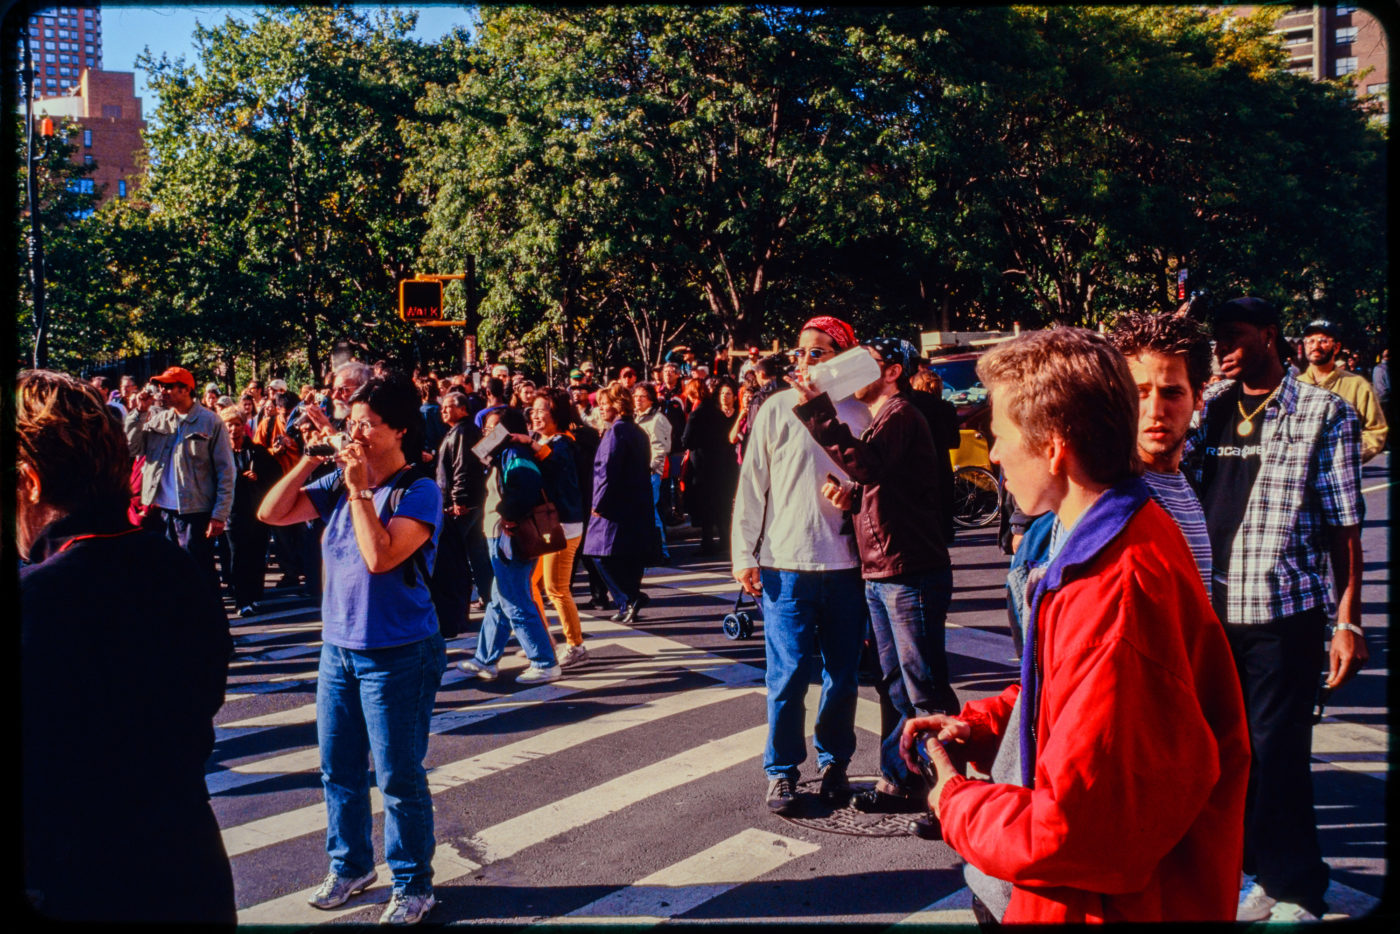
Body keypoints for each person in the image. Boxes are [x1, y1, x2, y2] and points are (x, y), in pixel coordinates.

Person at [899, 327, 1250, 924]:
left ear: (1054, 446)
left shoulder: (1114, 589)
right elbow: (1079, 697)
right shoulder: (1106, 533)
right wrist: (985, 722)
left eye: (1001, 436)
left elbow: (1078, 831)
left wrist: (955, 802)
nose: (995, 454)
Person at [19, 370, 236, 924]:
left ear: (31, 482)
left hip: (75, 882)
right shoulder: (177, 571)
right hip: (186, 866)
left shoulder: (38, 600)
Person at [1182, 297, 1367, 922]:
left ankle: (1296, 884)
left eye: (1234, 337)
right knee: (1222, 750)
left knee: (1277, 750)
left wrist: (1347, 621)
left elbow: (1345, 528)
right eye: (1217, 340)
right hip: (1211, 608)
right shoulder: (1207, 410)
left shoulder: (1323, 411)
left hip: (1283, 610)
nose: (1224, 349)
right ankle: (1249, 866)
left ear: (1268, 335)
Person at [257, 375, 446, 926]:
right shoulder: (339, 480)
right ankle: (350, 866)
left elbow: (380, 557)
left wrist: (360, 487)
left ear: (400, 430)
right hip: (338, 647)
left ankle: (414, 884)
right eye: (352, 421)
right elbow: (271, 513)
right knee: (338, 769)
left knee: (398, 776)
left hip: (398, 651)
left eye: (367, 423)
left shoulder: (418, 490)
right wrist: (309, 461)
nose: (355, 431)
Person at [792, 336, 958, 816]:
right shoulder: (886, 418)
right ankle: (902, 780)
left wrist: (818, 409)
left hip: (909, 570)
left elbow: (867, 465)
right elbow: (882, 484)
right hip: (887, 567)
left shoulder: (902, 413)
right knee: (896, 683)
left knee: (923, 686)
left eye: (867, 364)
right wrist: (852, 501)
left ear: (893, 373)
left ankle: (947, 794)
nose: (850, 374)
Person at [731, 314, 870, 815]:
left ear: (844, 358)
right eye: (801, 352)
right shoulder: (775, 408)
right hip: (785, 563)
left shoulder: (861, 412)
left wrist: (854, 495)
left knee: (843, 674)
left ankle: (835, 763)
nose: (806, 361)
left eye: (819, 352)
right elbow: (752, 484)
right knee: (787, 675)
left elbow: (875, 484)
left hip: (846, 564)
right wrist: (743, 554)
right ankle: (782, 771)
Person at [1106, 310, 1215, 594]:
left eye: (1171, 393)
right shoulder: (1113, 494)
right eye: (1140, 392)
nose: (1155, 411)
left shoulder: (1187, 483)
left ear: (1199, 396)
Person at [457, 406, 563, 683]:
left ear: (507, 430)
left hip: (509, 535)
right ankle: (486, 659)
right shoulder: (504, 453)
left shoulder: (515, 453)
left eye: (492, 429)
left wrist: (509, 515)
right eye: (486, 430)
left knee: (515, 600)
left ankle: (544, 662)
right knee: (498, 601)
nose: (486, 434)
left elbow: (527, 486)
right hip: (499, 533)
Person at [125, 365, 235, 595]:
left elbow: (226, 471)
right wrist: (139, 413)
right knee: (167, 574)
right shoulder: (157, 419)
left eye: (168, 387)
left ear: (186, 390)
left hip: (195, 512)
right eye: (160, 387)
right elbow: (132, 447)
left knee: (198, 572)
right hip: (160, 511)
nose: (161, 391)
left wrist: (219, 514)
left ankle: (210, 623)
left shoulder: (210, 422)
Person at [521, 388, 589, 666]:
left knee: (556, 588)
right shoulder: (544, 440)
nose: (536, 415)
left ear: (556, 413)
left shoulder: (564, 442)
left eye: (542, 410)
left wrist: (532, 444)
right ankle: (543, 639)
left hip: (564, 526)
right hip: (549, 524)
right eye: (533, 410)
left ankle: (576, 646)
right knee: (530, 583)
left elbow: (555, 461)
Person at [582, 382, 656, 623]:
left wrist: (598, 504)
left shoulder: (615, 432)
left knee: (598, 553)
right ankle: (627, 602)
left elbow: (607, 470)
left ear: (617, 406)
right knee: (629, 556)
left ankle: (628, 598)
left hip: (613, 505)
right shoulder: (638, 431)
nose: (601, 409)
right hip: (636, 502)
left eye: (605, 404)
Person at [431, 391, 486, 639]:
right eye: (443, 406)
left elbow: (462, 467)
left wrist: (458, 499)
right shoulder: (456, 432)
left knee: (455, 559)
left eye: (449, 406)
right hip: (466, 502)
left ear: (463, 410)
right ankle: (483, 600)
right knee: (474, 556)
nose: (444, 410)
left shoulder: (463, 432)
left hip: (463, 504)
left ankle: (458, 613)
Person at [1295, 319, 1388, 463]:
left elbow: (1376, 430)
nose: (1315, 346)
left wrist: (1348, 455)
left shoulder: (1357, 385)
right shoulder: (1294, 386)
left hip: (1338, 478)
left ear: (1336, 347)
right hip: (1299, 475)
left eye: (1323, 341)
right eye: (1310, 341)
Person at [219, 404, 282, 616]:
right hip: (232, 513)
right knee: (237, 557)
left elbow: (276, 477)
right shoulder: (220, 453)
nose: (233, 430)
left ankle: (255, 597)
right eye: (229, 426)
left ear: (243, 426)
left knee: (256, 556)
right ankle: (241, 600)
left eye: (236, 425)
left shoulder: (257, 451)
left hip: (256, 512)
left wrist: (259, 479)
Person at [681, 376, 740, 554]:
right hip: (722, 465)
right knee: (722, 505)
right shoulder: (716, 413)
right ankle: (725, 541)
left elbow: (686, 440)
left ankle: (707, 542)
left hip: (703, 466)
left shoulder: (697, 413)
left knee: (706, 505)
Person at [634, 381, 674, 563]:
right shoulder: (638, 417)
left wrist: (652, 467)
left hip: (650, 473)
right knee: (646, 511)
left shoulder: (656, 419)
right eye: (635, 396)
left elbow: (660, 447)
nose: (638, 400)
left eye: (642, 396)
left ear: (650, 399)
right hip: (640, 472)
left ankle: (661, 550)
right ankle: (650, 549)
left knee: (652, 511)